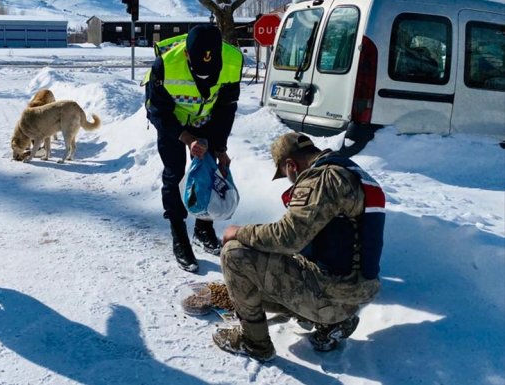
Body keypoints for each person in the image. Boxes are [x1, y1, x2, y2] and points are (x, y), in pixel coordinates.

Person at [212, 132, 385, 361]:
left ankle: (255, 343)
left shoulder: (320, 180)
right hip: (351, 292)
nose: (290, 180)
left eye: (286, 174)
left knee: (234, 254)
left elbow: (288, 237)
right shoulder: (347, 171)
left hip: (331, 297)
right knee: (263, 269)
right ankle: (333, 322)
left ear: (291, 165)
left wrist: (239, 232)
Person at [143, 25, 243, 273]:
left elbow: (226, 107)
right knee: (175, 174)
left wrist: (219, 147)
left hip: (206, 118)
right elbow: (157, 112)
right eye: (200, 73)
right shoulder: (165, 66)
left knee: (208, 172)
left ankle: (203, 228)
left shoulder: (232, 61)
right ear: (187, 55)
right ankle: (179, 236)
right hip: (172, 121)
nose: (206, 78)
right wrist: (186, 138)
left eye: (211, 73)